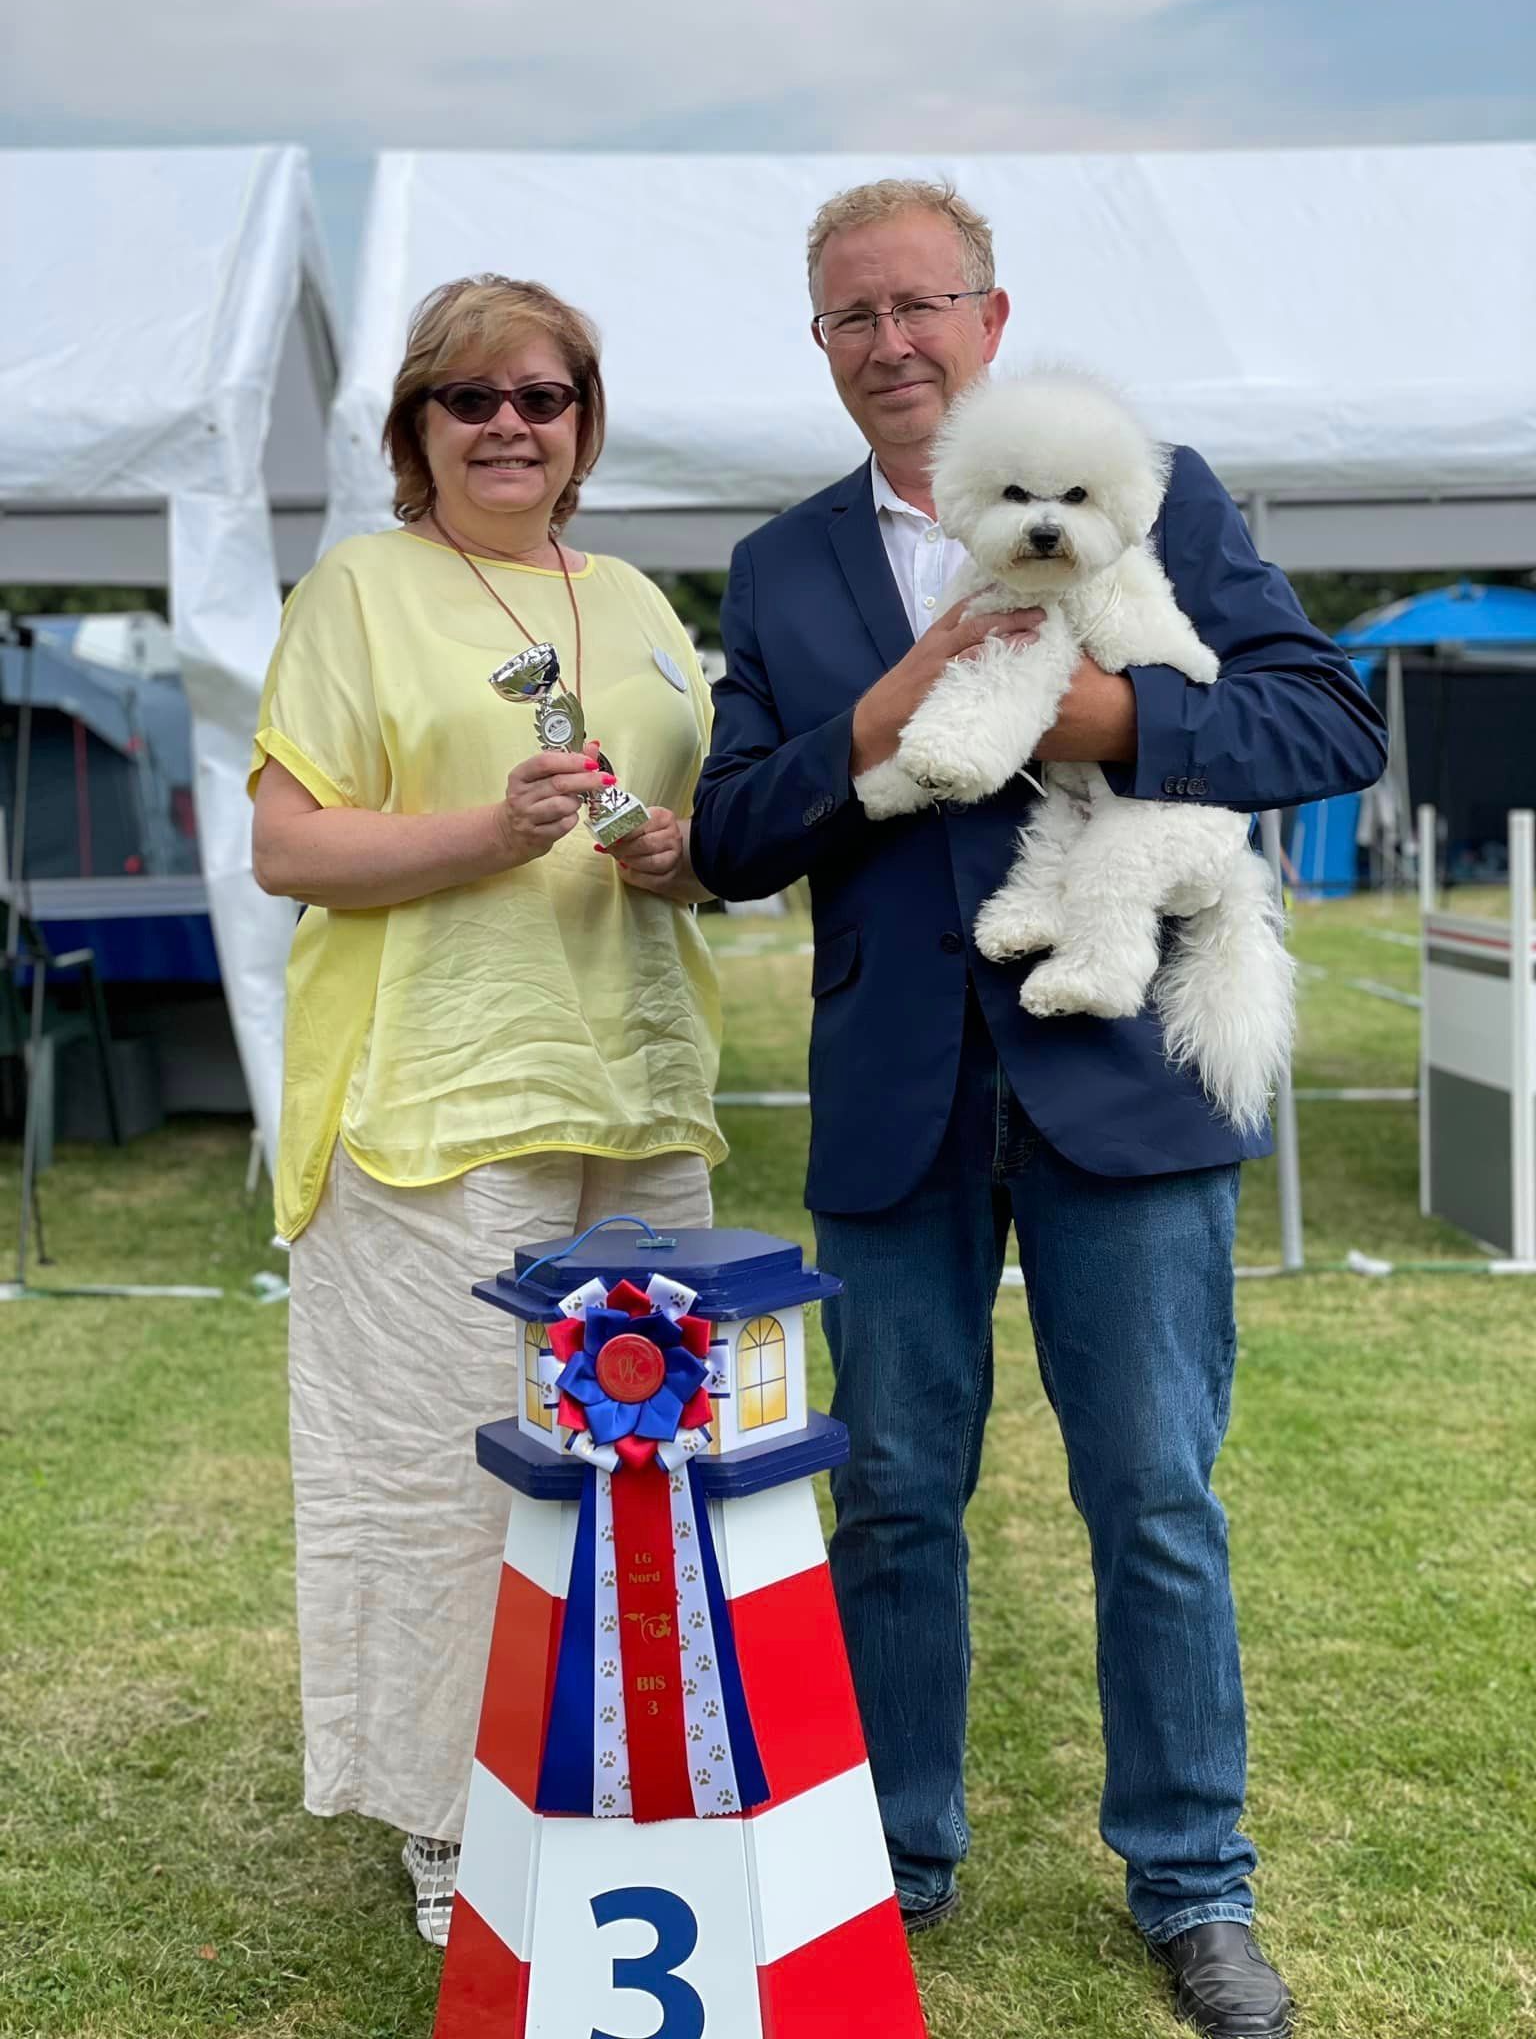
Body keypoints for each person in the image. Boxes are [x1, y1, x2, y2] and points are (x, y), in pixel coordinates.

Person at [691, 179, 1387, 2039]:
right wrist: (874, 720)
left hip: (1123, 1076)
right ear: (823, 347)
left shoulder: (1161, 483)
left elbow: (1327, 725)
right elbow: (735, 836)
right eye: (854, 316)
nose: (893, 341)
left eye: (923, 303)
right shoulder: (780, 570)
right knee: (896, 1499)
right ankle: (889, 1863)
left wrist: (1108, 724)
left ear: (994, 319)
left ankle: (1194, 1887)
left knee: (1155, 1498)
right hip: (896, 1097)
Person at [249, 275, 723, 1946]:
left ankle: (635, 1786)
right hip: (433, 1101)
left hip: (639, 1090)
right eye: (471, 400)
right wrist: (479, 834)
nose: (509, 425)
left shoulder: (647, 602)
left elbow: (686, 820)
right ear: (417, 430)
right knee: (446, 1477)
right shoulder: (361, 588)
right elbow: (287, 846)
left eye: (542, 396)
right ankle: (454, 1826)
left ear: (585, 422)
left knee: (659, 1468)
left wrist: (678, 852)